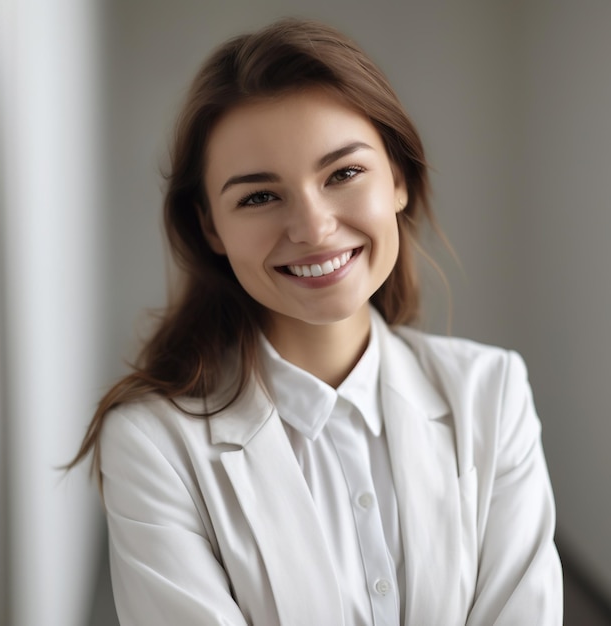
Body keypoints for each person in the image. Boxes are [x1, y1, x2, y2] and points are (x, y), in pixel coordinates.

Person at [70, 18, 563, 625]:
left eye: (344, 174)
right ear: (210, 228)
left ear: (399, 180)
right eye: (258, 196)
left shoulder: (493, 392)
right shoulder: (151, 443)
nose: (312, 227)